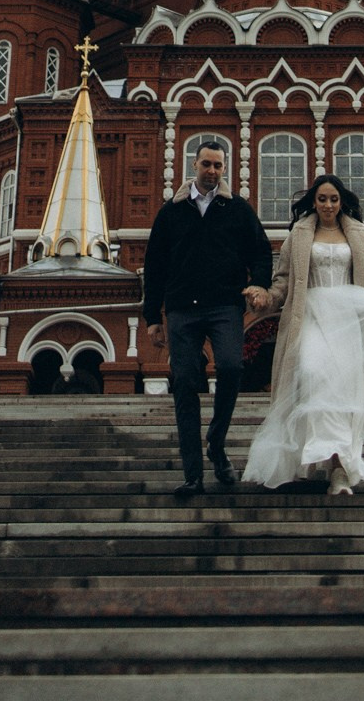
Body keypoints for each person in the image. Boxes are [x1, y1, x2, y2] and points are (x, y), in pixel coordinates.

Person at [242, 173, 364, 495]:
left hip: (347, 320)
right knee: (313, 375)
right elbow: (284, 281)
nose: (328, 205)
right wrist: (266, 298)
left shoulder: (358, 234)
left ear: (341, 201)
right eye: (322, 199)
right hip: (309, 316)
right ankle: (312, 457)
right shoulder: (300, 234)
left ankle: (337, 468)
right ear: (313, 201)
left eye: (333, 199)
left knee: (343, 393)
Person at [143, 140, 272, 500]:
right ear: (194, 165)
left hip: (224, 307)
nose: (212, 171)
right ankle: (193, 475)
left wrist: (259, 284)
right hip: (182, 309)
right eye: (206, 164)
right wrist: (153, 317)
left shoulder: (237, 209)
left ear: (223, 169)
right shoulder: (172, 211)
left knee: (231, 367)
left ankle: (216, 441)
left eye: (218, 165)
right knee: (184, 384)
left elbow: (261, 251)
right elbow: (154, 265)